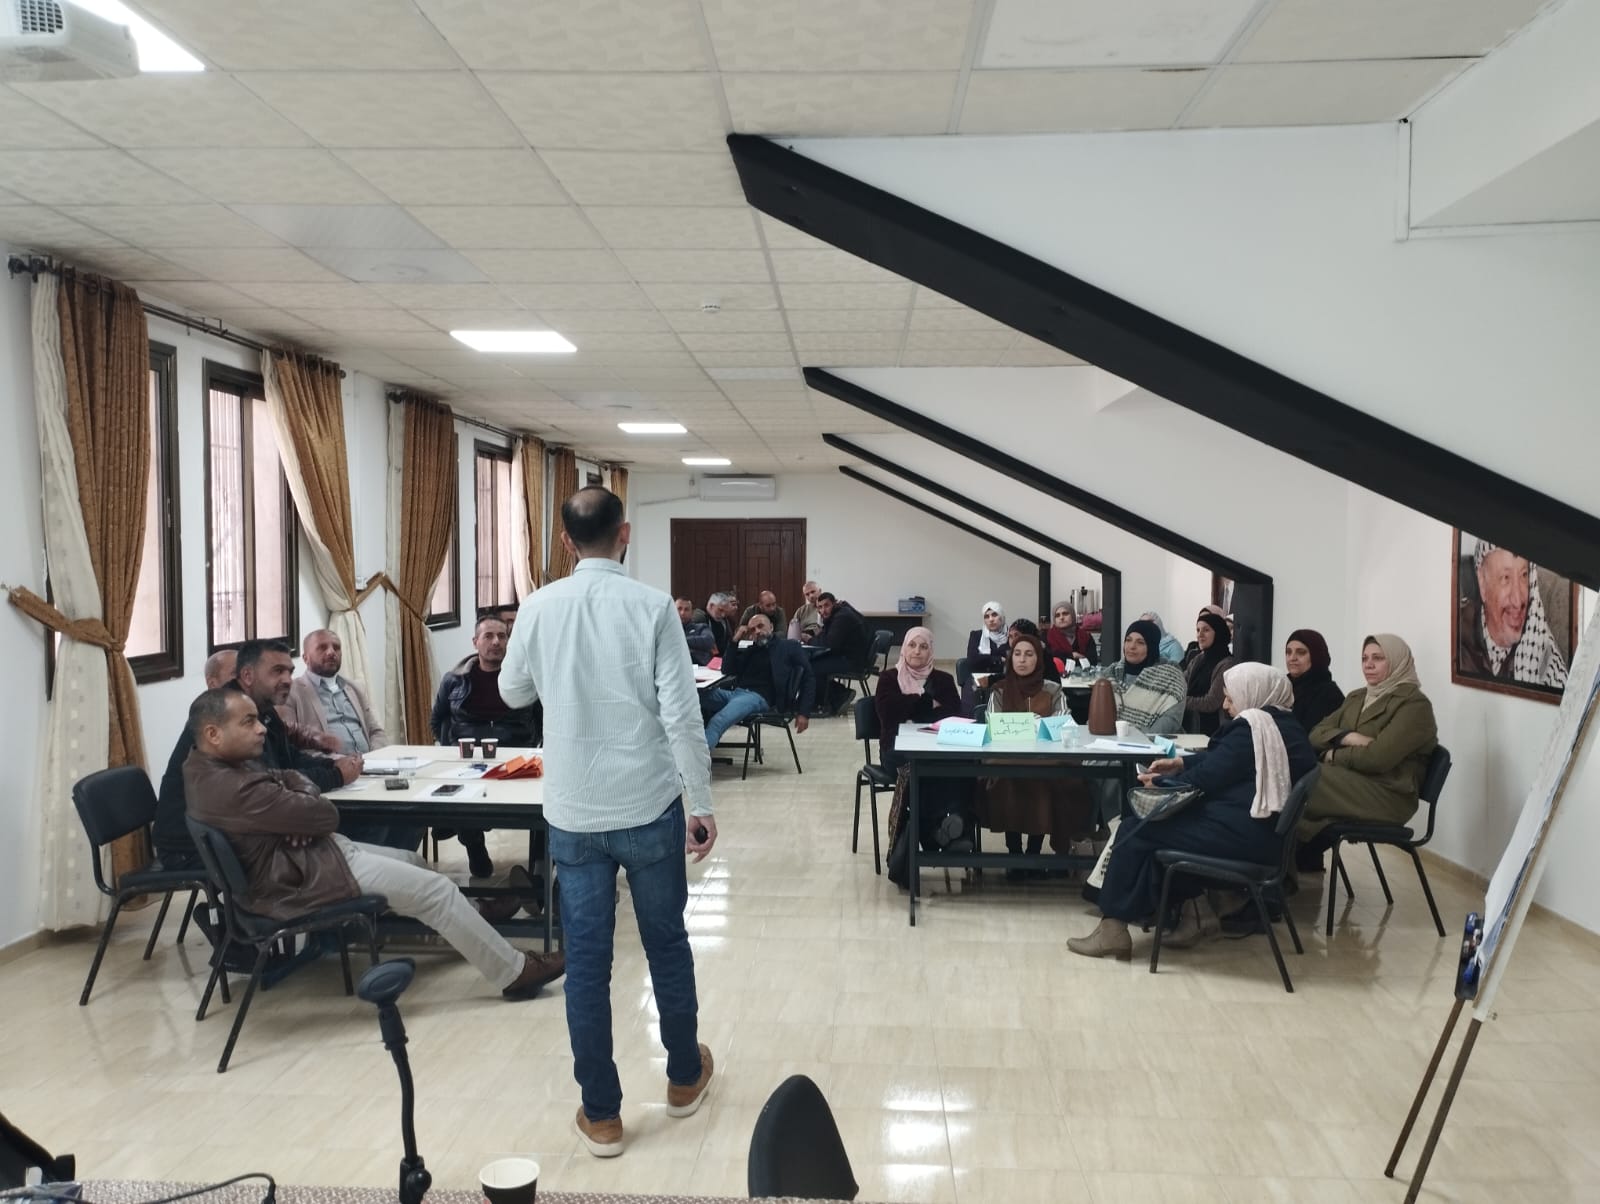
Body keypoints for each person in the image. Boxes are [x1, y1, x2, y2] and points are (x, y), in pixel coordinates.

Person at [498, 486, 715, 1159]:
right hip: (648, 803)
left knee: (588, 964)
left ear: (566, 541)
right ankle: (684, 1077)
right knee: (665, 944)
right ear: (625, 534)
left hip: (573, 811)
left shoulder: (538, 606)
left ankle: (602, 1116)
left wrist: (560, 676)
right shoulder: (652, 606)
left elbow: (512, 690)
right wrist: (701, 803)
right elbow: (681, 714)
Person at [182, 688, 564, 999]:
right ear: (213, 733)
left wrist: (296, 804)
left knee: (412, 860)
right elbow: (326, 815)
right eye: (248, 722)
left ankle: (477, 913)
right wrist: (301, 807)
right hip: (301, 877)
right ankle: (514, 972)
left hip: (307, 856)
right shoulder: (238, 787)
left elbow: (288, 777)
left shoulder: (203, 768)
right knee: (437, 890)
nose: (261, 729)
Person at [1068, 663, 1317, 959]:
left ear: (1254, 693)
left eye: (1231, 698)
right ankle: (1197, 913)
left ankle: (1113, 930)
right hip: (1263, 835)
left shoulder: (1251, 729)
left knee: (1136, 828)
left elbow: (1209, 776)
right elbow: (1226, 761)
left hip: (1241, 837)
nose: (1225, 705)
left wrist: (1161, 783)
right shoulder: (1286, 727)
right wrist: (1181, 764)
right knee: (1157, 828)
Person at [154, 640, 359, 872]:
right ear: (248, 676)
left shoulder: (261, 708)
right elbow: (268, 782)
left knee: (332, 835)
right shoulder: (225, 714)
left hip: (239, 827)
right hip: (194, 844)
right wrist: (335, 777)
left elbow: (289, 759)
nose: (288, 680)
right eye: (277, 671)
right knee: (333, 834)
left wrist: (333, 764)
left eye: (290, 672)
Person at [1297, 634, 1439, 870]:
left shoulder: (1414, 705)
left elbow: (1377, 758)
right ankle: (1286, 865)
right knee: (1295, 782)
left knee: (1303, 779)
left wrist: (1333, 755)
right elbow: (1315, 734)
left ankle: (1276, 869)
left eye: (1378, 658)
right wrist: (1346, 737)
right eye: (1364, 658)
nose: (1368, 665)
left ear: (1397, 661)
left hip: (1388, 794)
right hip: (1354, 781)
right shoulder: (1358, 697)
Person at [430, 615, 542, 877]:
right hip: (468, 761)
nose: (496, 642)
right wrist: (450, 748)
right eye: (488, 636)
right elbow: (437, 719)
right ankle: (474, 846)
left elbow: (542, 720)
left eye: (502, 636)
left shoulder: (525, 678)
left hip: (516, 759)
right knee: (459, 794)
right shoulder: (454, 679)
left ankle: (539, 871)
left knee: (545, 803)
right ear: (475, 642)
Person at [979, 634, 1092, 877]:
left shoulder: (1052, 689)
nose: (1022, 660)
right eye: (1017, 654)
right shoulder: (999, 690)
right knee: (1006, 776)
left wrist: (1033, 727)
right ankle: (1015, 854)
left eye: (1029, 654)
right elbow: (994, 726)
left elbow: (1063, 723)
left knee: (1048, 777)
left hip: (1045, 758)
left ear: (1038, 659)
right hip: (1008, 757)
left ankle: (1034, 852)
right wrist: (1030, 725)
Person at [874, 627, 971, 856]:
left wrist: (909, 706)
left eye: (923, 646)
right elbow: (888, 713)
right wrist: (927, 703)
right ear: (904, 648)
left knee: (964, 765)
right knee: (922, 769)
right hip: (895, 749)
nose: (917, 651)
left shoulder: (943, 680)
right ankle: (939, 834)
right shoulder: (888, 678)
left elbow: (952, 714)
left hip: (936, 746)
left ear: (931, 651)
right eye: (912, 645)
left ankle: (951, 823)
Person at [1457, 541, 1569, 690]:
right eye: (1505, 578)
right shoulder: (1458, 637)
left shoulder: (1538, 645)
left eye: (1524, 575)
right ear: (1483, 583)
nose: (1518, 601)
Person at [700, 613, 814, 750]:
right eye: (752, 630)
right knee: (692, 698)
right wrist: (735, 641)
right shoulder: (751, 650)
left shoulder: (787, 647)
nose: (757, 631)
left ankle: (697, 762)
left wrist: (804, 712)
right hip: (735, 694)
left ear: (771, 627)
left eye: (760, 626)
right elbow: (727, 669)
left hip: (758, 698)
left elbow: (808, 677)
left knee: (717, 722)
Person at [284, 630, 387, 755]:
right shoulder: (291, 692)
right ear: (306, 658)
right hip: (329, 765)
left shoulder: (355, 688)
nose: (331, 652)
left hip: (371, 763)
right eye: (322, 647)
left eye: (336, 647)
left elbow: (376, 731)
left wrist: (375, 757)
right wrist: (338, 763)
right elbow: (291, 746)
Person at [1103, 620, 1189, 735]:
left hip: (1154, 742)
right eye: (1128, 640)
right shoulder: (1111, 674)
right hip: (1110, 740)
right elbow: (1099, 717)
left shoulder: (1171, 677)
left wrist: (1137, 738)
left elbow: (1170, 722)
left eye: (1140, 642)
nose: (1132, 646)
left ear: (1151, 647)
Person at [810, 592, 869, 715]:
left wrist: (810, 640)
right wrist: (813, 639)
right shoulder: (839, 613)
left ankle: (828, 702)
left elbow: (829, 644)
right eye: (820, 607)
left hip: (853, 661)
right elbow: (826, 637)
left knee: (813, 667)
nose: (823, 610)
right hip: (849, 656)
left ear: (834, 603)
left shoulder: (842, 617)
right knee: (813, 662)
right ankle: (839, 694)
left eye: (826, 605)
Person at [1184, 613, 1236, 736]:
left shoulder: (1226, 664)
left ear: (1218, 633)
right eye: (1198, 630)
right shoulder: (1198, 659)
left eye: (1206, 630)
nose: (1200, 635)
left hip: (1212, 732)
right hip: (1190, 725)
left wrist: (1179, 702)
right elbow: (1180, 683)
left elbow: (1211, 702)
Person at [1285, 629, 1344, 733]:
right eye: (1288, 652)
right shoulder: (1281, 688)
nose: (1292, 658)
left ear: (1317, 656)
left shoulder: (1329, 694)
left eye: (1301, 653)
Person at [1045, 601, 1095, 670]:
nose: (1061, 617)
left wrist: (1065, 658)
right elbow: (1048, 660)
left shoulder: (1085, 636)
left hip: (1084, 675)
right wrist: (1072, 656)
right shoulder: (1048, 637)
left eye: (1065, 614)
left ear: (1072, 615)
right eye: (1057, 615)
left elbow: (1093, 661)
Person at [676, 597, 715, 667]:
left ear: (692, 613)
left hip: (698, 668)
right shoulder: (666, 630)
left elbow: (709, 641)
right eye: (679, 609)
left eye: (686, 609)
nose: (682, 613)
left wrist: (680, 640)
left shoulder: (701, 627)